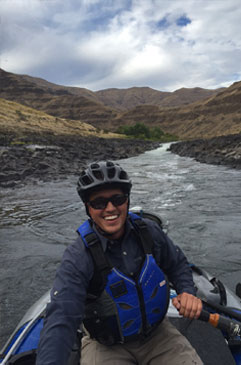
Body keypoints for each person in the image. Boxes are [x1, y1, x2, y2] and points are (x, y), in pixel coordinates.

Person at [36, 160, 203, 365]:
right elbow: (61, 317)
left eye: (118, 199)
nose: (110, 208)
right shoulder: (78, 256)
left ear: (127, 200)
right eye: (99, 203)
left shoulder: (149, 232)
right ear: (88, 208)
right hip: (106, 345)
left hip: (158, 335)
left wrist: (186, 290)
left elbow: (177, 264)